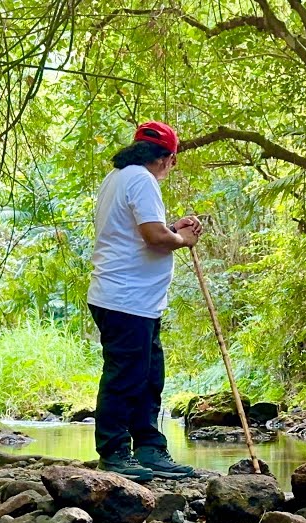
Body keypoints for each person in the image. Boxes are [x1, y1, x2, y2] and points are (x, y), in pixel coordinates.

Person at [87, 121, 203, 482]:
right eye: (173, 161)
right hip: (125, 297)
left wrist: (173, 229)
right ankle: (114, 453)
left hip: (134, 300)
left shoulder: (119, 178)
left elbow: (138, 232)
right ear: (167, 158)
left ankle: (150, 449)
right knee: (126, 376)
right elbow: (154, 237)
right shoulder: (142, 179)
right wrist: (182, 239)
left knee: (149, 375)